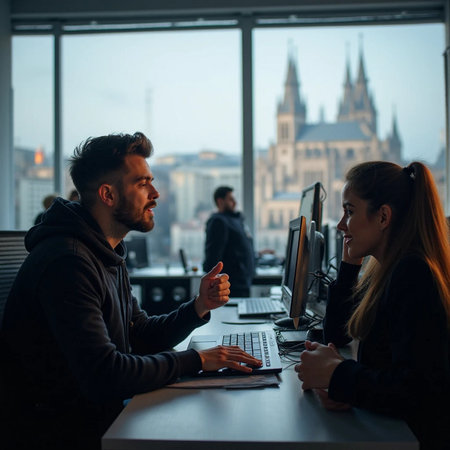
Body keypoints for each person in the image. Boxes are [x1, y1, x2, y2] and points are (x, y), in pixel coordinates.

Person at [0, 132, 262, 450]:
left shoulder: (107, 250)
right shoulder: (67, 262)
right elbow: (105, 374)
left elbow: (138, 335)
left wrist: (198, 306)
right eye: (142, 183)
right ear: (108, 195)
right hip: (62, 435)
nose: (155, 193)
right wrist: (197, 360)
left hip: (101, 421)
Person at [295, 161, 450, 449]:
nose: (341, 225)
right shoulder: (386, 270)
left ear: (383, 217)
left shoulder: (412, 274)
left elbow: (415, 391)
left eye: (349, 212)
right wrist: (349, 264)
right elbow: (337, 335)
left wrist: (338, 376)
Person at [203, 186, 255, 297]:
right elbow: (213, 256)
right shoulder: (218, 222)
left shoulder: (236, 220)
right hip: (231, 285)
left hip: (243, 282)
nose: (235, 202)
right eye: (230, 199)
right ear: (220, 201)